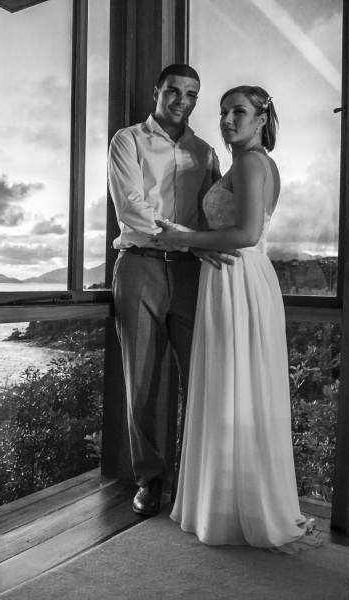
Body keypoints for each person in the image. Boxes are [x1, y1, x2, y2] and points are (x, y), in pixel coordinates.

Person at [155, 85, 321, 552]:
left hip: (238, 279)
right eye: (224, 112)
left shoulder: (251, 162)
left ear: (261, 118)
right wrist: (192, 241)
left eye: (239, 112)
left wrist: (182, 238)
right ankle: (232, 505)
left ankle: (232, 510)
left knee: (232, 388)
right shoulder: (249, 163)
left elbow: (247, 233)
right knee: (236, 389)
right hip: (235, 278)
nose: (228, 120)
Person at [108, 63, 237, 517]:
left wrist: (201, 245)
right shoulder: (127, 141)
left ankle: (194, 477)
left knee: (201, 376)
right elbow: (132, 209)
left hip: (190, 273)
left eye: (192, 94)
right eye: (174, 91)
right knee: (140, 381)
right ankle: (150, 478)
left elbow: (215, 214)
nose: (182, 100)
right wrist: (189, 238)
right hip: (140, 266)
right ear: (157, 91)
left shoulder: (205, 152)